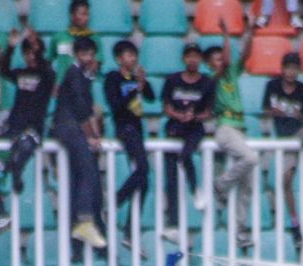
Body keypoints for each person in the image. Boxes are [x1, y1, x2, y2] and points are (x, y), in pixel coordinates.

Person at [202, 18, 259, 249]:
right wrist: (226, 33)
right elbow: (227, 60)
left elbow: (244, 54)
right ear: (210, 64)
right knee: (251, 158)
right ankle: (220, 185)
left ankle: (240, 230)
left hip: (240, 127)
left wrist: (251, 31)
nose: (221, 61)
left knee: (248, 184)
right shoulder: (211, 79)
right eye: (215, 59)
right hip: (225, 127)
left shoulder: (233, 74)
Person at [262, 52, 303, 248]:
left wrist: (301, 116)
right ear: (282, 69)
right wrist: (274, 112)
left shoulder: (302, 89)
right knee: (285, 182)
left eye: (295, 68)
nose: (291, 72)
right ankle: (295, 223)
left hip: (300, 130)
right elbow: (265, 109)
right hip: (285, 137)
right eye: (288, 68)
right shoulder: (272, 86)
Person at [51, 36, 107, 249]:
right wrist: (91, 135)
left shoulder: (82, 77)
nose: (88, 58)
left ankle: (81, 222)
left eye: (91, 54)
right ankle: (84, 219)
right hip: (67, 126)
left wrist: (94, 133)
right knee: (87, 170)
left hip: (73, 127)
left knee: (84, 173)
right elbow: (81, 109)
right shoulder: (74, 74)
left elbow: (89, 107)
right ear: (76, 55)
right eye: (84, 54)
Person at [161, 43, 214, 238]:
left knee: (185, 156)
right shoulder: (173, 80)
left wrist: (195, 117)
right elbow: (166, 107)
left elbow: (208, 112)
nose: (193, 60)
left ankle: (195, 189)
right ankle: (173, 222)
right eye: (189, 56)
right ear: (184, 59)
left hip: (195, 128)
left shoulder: (207, 82)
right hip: (175, 126)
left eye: (196, 56)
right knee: (171, 177)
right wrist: (178, 115)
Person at [0, 28, 56, 197]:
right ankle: (7, 172)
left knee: (26, 147)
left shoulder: (45, 74)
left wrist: (38, 49)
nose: (30, 57)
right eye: (26, 53)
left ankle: (16, 172)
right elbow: (4, 70)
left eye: (32, 53)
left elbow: (49, 72)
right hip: (16, 122)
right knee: (4, 149)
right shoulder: (21, 73)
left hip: (34, 124)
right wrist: (11, 47)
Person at [105, 39, 153, 240]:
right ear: (118, 58)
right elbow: (117, 105)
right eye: (128, 55)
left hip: (137, 127)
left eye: (134, 55)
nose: (132, 58)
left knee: (144, 182)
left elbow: (151, 96)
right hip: (124, 127)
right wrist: (135, 89)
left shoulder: (135, 78)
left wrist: (143, 83)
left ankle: (130, 230)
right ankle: (114, 202)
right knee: (143, 169)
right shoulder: (113, 78)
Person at [48, 0, 94, 83]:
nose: (86, 18)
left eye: (87, 15)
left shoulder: (94, 37)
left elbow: (96, 63)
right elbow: (49, 60)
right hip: (63, 86)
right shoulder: (59, 37)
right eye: (82, 14)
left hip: (83, 86)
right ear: (72, 15)